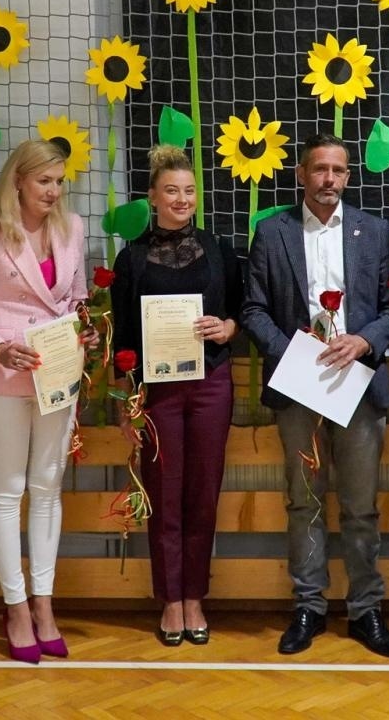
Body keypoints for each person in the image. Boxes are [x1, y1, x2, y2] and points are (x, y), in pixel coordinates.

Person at [241, 133, 389, 659]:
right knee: (303, 502)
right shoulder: (272, 232)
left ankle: (366, 609)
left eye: (338, 170)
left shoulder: (374, 231)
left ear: (348, 176)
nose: (328, 178)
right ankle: (309, 606)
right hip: (298, 386)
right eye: (319, 169)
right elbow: (253, 309)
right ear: (301, 175)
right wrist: (293, 355)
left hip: (358, 384)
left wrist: (365, 340)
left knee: (360, 507)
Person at [0, 139, 89, 664]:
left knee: (48, 489)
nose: (54, 191)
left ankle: (44, 606)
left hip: (57, 376)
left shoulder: (73, 228)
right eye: (44, 181)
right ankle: (16, 609)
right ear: (19, 181)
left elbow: (77, 298)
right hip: (2, 377)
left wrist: (86, 329)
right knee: (7, 490)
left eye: (60, 182)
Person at [110, 145, 242, 645]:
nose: (182, 199)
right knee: (163, 493)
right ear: (152, 197)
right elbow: (123, 339)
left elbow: (242, 312)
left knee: (203, 494)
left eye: (189, 191)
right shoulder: (131, 258)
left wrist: (227, 328)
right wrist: (125, 403)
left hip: (211, 384)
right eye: (171, 191)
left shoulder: (220, 249)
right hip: (156, 393)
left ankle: (194, 597)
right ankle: (169, 599)